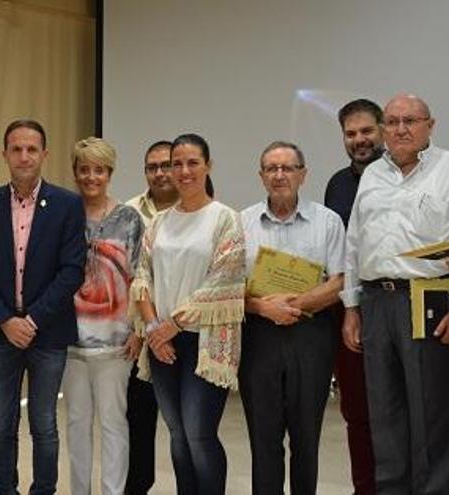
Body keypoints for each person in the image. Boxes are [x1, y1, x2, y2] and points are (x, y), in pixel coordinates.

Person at [341, 95, 449, 494]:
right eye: (392, 122)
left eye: (410, 120)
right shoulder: (372, 175)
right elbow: (354, 243)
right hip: (375, 303)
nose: (401, 129)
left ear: (430, 125)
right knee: (384, 417)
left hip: (430, 300)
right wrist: (352, 307)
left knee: (432, 417)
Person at [0, 118, 87, 494]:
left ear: (44, 154)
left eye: (31, 149)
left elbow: (72, 271)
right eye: (16, 149)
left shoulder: (68, 204)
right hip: (0, 334)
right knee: (2, 424)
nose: (24, 156)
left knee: (44, 423)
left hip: (48, 332)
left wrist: (31, 320)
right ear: (5, 154)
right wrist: (5, 320)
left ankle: (44, 490)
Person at [131, 133, 245, 494]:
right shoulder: (159, 222)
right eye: (175, 164)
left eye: (192, 162)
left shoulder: (225, 219)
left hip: (205, 344)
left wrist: (172, 324)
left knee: (199, 434)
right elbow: (142, 275)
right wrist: (152, 327)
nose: (183, 170)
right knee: (177, 434)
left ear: (208, 166)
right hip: (161, 343)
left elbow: (223, 282)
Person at [240, 141, 345, 494]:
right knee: (263, 438)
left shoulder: (328, 222)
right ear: (261, 176)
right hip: (258, 337)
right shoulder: (242, 223)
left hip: (311, 336)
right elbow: (227, 286)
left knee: (306, 439)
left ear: (303, 174)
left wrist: (295, 305)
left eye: (287, 168)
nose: (279, 175)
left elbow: (340, 280)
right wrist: (262, 308)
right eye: (271, 168)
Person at [62, 137, 143, 495]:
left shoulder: (128, 218)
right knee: (77, 424)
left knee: (113, 424)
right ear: (75, 172)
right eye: (84, 169)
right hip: (68, 342)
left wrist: (138, 329)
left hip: (115, 344)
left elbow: (141, 277)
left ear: (109, 173)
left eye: (99, 170)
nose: (91, 177)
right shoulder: (63, 213)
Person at [324, 98, 384, 495]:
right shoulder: (338, 184)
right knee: (357, 413)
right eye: (351, 133)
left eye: (367, 131)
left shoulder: (399, 177)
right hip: (347, 310)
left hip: (391, 304)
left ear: (381, 129)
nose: (359, 140)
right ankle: (364, 488)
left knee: (397, 412)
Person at [123, 140, 175, 495]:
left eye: (166, 165)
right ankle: (137, 487)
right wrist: (141, 329)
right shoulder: (127, 213)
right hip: (137, 336)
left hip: (183, 331)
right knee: (137, 421)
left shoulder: (207, 214)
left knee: (188, 428)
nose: (159, 173)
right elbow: (126, 277)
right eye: (151, 167)